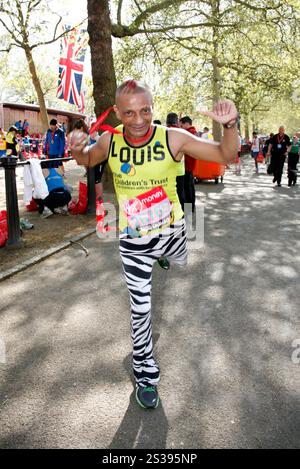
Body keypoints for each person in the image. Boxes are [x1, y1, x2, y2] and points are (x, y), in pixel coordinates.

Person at [69, 79, 239, 410]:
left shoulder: (171, 137)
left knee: (179, 257)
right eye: (129, 112)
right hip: (133, 239)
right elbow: (88, 160)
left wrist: (230, 125)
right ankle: (145, 373)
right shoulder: (110, 140)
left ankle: (165, 254)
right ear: (117, 112)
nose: (138, 120)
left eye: (145, 110)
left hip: (172, 230)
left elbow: (225, 155)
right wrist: (77, 147)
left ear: (152, 107)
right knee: (141, 308)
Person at [179, 116, 197, 212]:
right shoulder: (193, 132)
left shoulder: (189, 133)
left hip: (187, 163)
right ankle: (191, 206)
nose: (180, 127)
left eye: (181, 125)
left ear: (186, 123)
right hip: (190, 163)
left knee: (187, 187)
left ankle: (189, 207)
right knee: (190, 186)